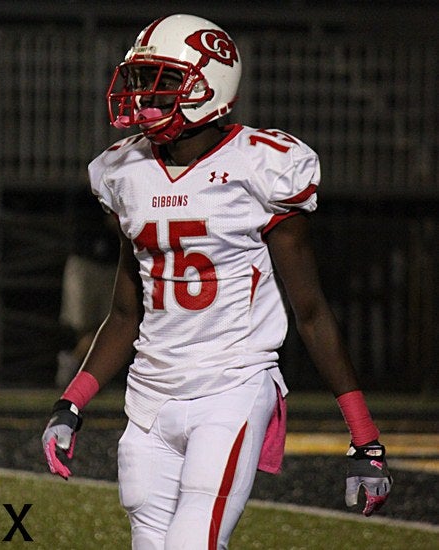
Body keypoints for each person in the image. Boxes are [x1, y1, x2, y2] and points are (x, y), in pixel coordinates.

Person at [42, 14, 392, 549]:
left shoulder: (261, 167)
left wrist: (364, 437)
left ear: (210, 85)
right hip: (150, 396)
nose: (143, 97)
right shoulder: (124, 171)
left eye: (161, 80)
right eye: (140, 80)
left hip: (231, 386)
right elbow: (125, 314)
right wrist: (71, 403)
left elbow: (312, 312)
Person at [55, 186, 118, 387]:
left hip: (110, 265)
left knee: (105, 325)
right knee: (81, 325)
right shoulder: (83, 197)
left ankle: (78, 366)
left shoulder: (122, 188)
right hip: (86, 263)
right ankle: (78, 368)